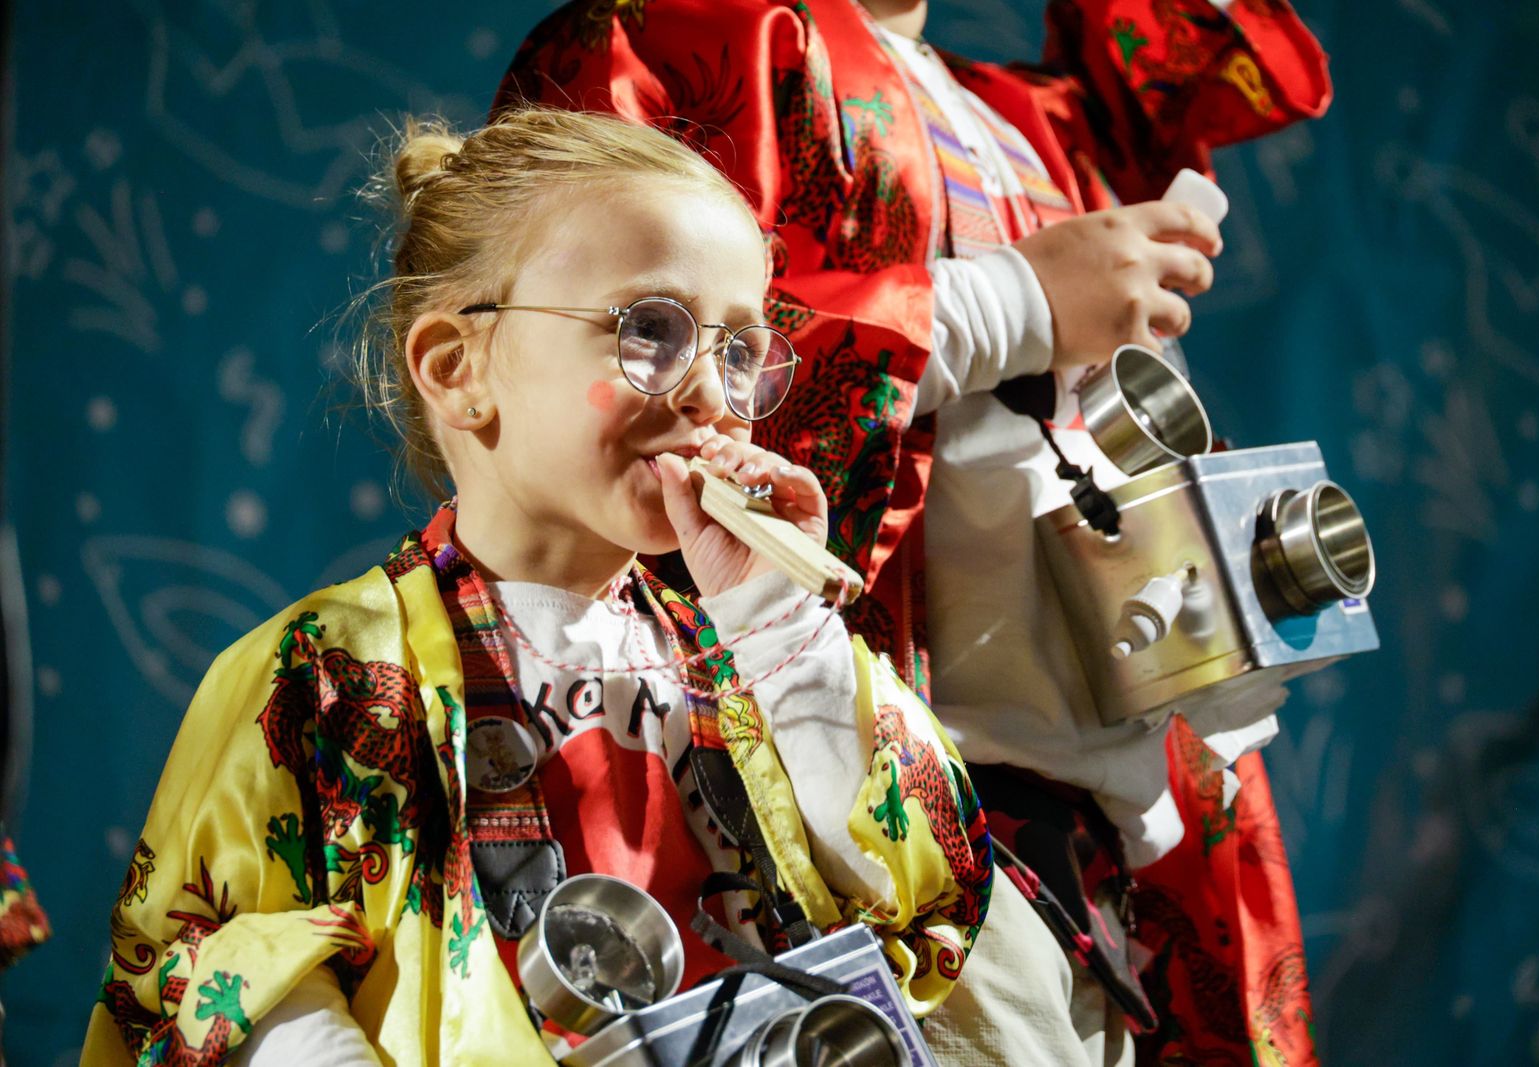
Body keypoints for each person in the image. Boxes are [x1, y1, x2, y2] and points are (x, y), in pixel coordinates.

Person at [499, 1, 1331, 1063]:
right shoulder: (673, 37)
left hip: (1107, 836)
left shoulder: (1040, 119)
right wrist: (1007, 303)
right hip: (834, 822)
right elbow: (601, 388)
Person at [82, 106, 993, 1066]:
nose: (713, 398)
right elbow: (216, 970)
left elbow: (921, 907)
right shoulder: (323, 672)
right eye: (651, 330)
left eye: (738, 351)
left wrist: (777, 623)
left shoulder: (737, 654)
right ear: (457, 368)